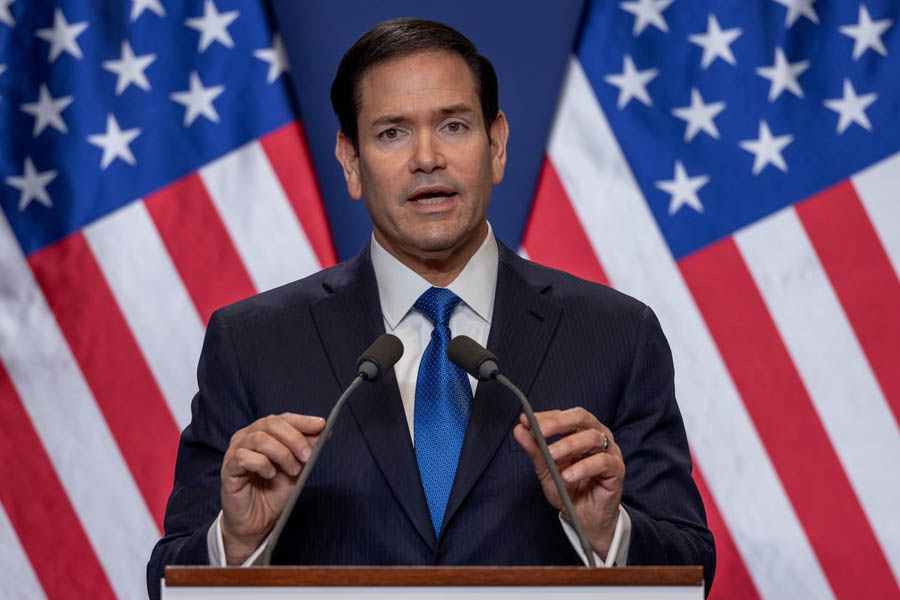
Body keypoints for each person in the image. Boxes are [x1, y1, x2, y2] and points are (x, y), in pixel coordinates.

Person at [147, 17, 715, 599]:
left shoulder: (616, 334)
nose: (426, 157)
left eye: (453, 125)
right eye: (392, 132)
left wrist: (607, 535)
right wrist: (236, 545)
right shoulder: (252, 343)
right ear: (350, 161)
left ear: (495, 146)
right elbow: (168, 581)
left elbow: (693, 569)